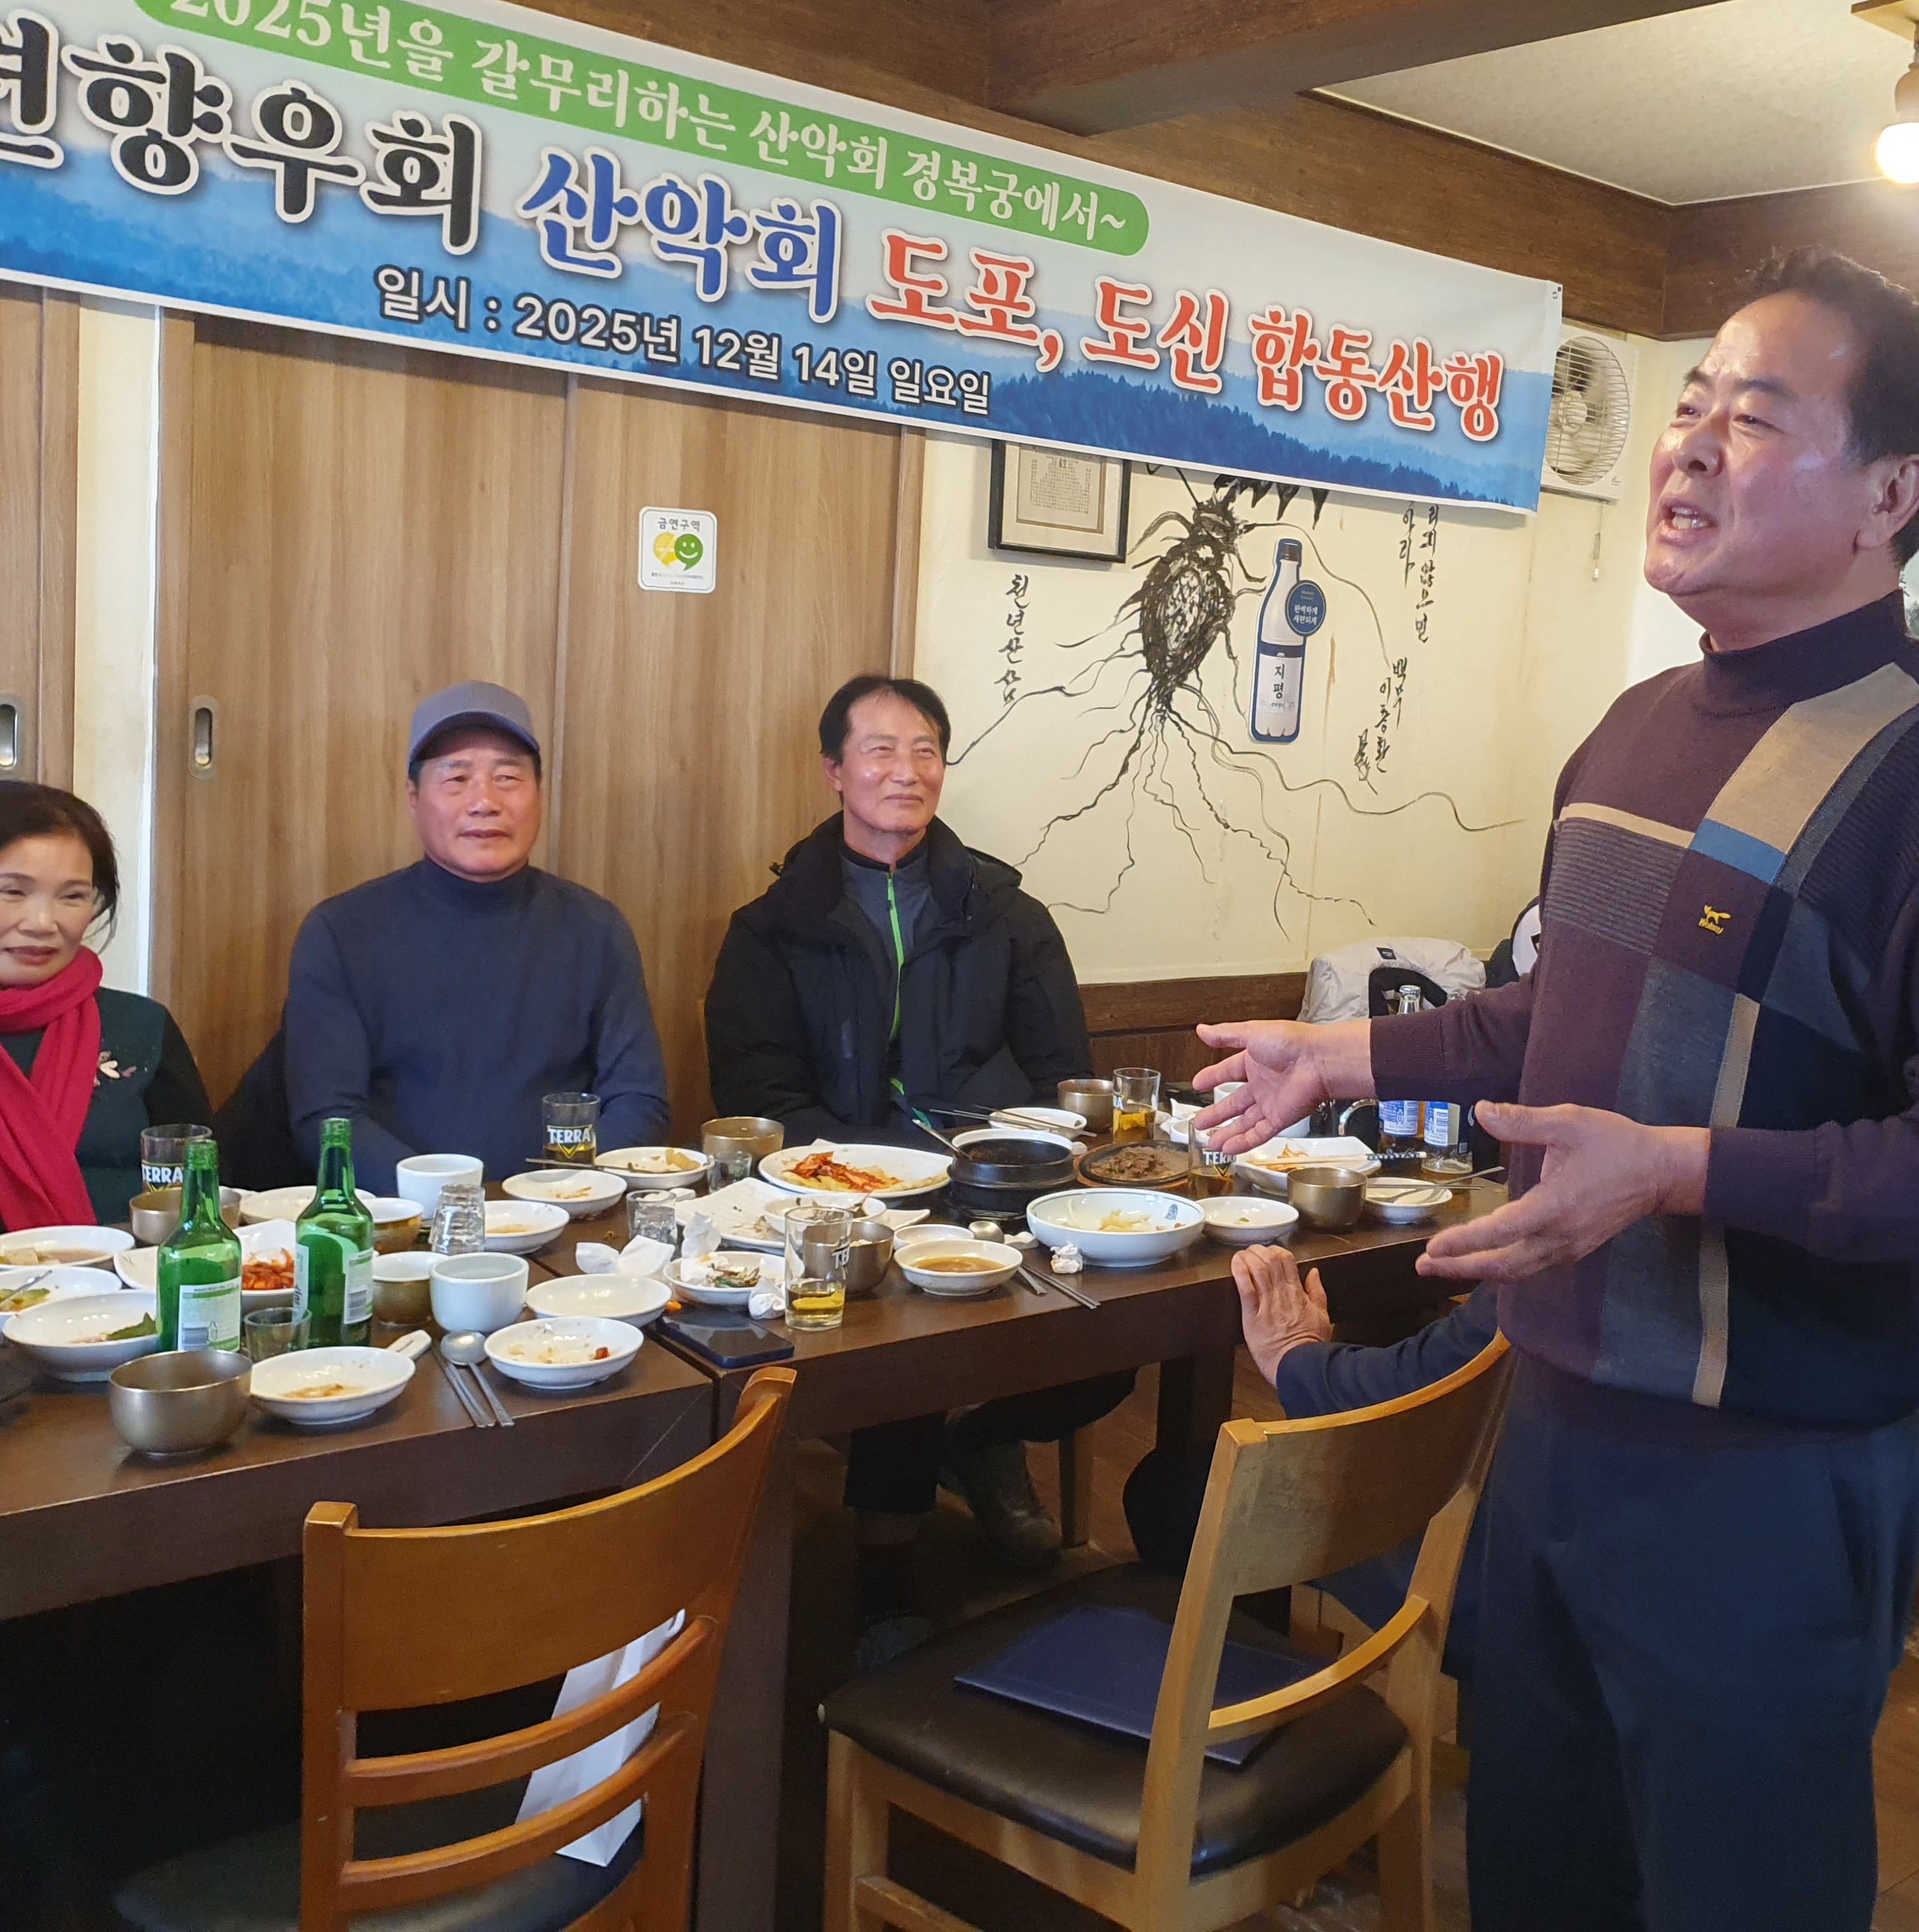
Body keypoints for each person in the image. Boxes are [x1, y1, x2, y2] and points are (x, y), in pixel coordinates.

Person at [1191, 248, 1919, 1931]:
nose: (1686, 446)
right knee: (1541, 1880)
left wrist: (1680, 1170)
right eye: (1689, 404)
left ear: (1891, 495)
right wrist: (1345, 1057)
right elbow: (1568, 1013)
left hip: (1773, 1472)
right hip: (1551, 1425)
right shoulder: (1630, 733)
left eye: (1753, 417)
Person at [706, 674, 1129, 1660]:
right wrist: (870, 1174)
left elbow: (1064, 1074)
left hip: (997, 1183)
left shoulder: (1008, 913)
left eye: (926, 750)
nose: (907, 770)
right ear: (834, 771)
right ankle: (887, 1580)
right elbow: (760, 1096)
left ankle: (981, 1441)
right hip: (843, 1198)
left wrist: (1008, 1157)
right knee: (904, 1333)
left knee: (1119, 1326)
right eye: (881, 750)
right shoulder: (772, 929)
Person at [282, 682, 670, 1189]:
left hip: (565, 1213)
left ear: (539, 793)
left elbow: (639, 1100)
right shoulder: (341, 932)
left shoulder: (596, 929)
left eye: (507, 777)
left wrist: (557, 1197)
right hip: (403, 1221)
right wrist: (455, 1204)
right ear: (413, 799)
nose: (484, 802)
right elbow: (327, 1120)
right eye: (457, 778)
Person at [1123, 1249, 1498, 1677]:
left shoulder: (1539, 1278)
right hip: (1536, 1558)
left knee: (1169, 1494)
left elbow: (1418, 1382)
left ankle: (1256, 1700)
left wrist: (1293, 1353)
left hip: (1492, 1590)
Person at [0, 785, 210, 1230]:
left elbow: (202, 1195)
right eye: (13, 892)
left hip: (131, 1269)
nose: (42, 923)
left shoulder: (142, 1026)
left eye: (73, 896)